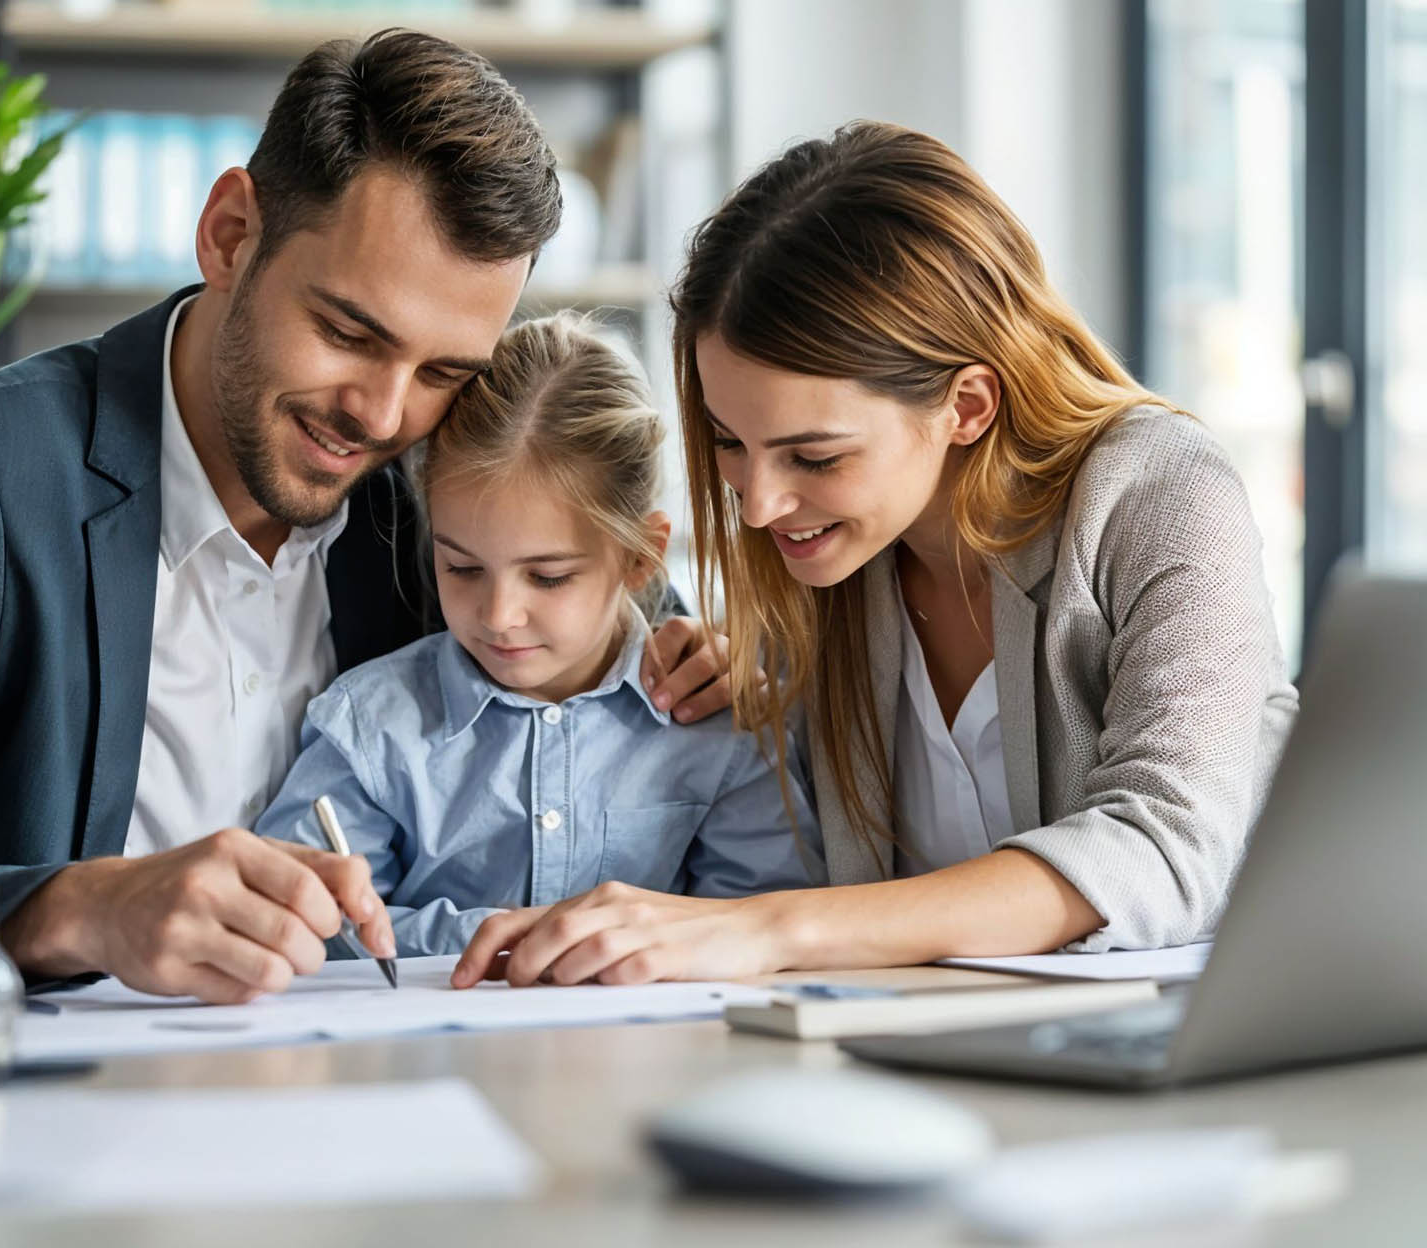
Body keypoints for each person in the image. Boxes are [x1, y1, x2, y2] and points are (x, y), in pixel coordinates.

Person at [0, 30, 733, 1001]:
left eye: (440, 370)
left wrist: (714, 659)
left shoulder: (450, 481)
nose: (382, 415)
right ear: (230, 235)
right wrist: (81, 908)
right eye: (346, 330)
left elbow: (627, 637)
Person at [452, 121, 1298, 989]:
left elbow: (1164, 844)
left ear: (966, 406)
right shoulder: (830, 571)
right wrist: (742, 694)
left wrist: (770, 928)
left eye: (815, 457)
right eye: (729, 442)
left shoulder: (1159, 493)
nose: (758, 506)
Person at [253, 315, 824, 956]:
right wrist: (503, 943)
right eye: (462, 568)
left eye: (548, 577)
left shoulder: (723, 728)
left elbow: (761, 925)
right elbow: (305, 921)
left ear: (641, 557)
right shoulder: (370, 727)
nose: (498, 615)